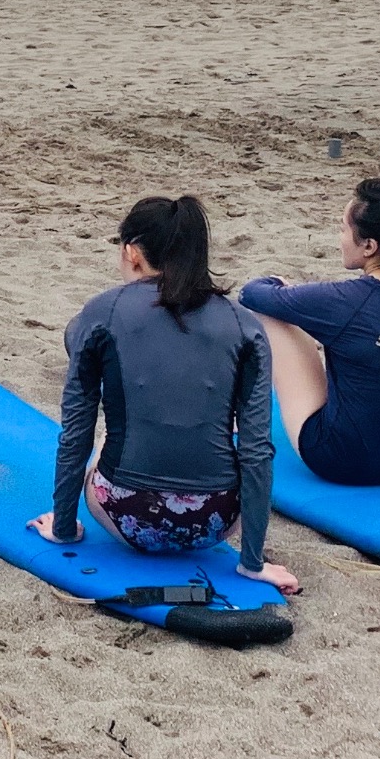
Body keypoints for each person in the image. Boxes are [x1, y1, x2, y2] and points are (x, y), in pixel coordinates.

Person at [34, 195, 297, 593]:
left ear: (132, 252)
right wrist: (253, 563)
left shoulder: (102, 312)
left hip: (125, 516)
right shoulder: (245, 326)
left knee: (107, 437)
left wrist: (64, 528)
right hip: (217, 521)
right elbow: (257, 450)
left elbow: (76, 433)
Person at [237, 180, 380, 486]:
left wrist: (279, 284)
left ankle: (235, 411)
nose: (340, 238)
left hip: (345, 463)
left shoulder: (344, 300)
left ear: (369, 246)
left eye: (343, 229)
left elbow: (251, 294)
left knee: (271, 316)